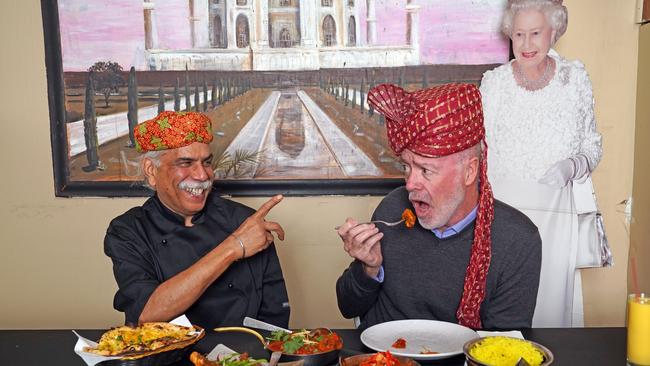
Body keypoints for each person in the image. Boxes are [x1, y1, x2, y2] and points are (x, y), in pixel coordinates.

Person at [335, 83, 542, 330]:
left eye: (426, 170)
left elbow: (503, 346)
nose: (410, 184)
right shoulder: (392, 208)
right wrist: (370, 268)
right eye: (406, 167)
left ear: (469, 171)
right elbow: (348, 307)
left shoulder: (517, 240)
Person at [104, 111, 290, 329]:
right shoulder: (128, 231)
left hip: (242, 355)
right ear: (151, 170)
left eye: (207, 162)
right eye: (185, 162)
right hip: (167, 356)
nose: (202, 175)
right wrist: (234, 247)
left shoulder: (246, 221)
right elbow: (146, 313)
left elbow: (274, 318)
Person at [480, 0, 603, 327]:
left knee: (549, 314)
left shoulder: (574, 78)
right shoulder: (494, 83)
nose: (526, 44)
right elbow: (480, 149)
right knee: (503, 315)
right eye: (518, 34)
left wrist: (571, 166)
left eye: (535, 33)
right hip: (502, 216)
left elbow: (592, 148)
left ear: (554, 32)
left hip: (555, 217)